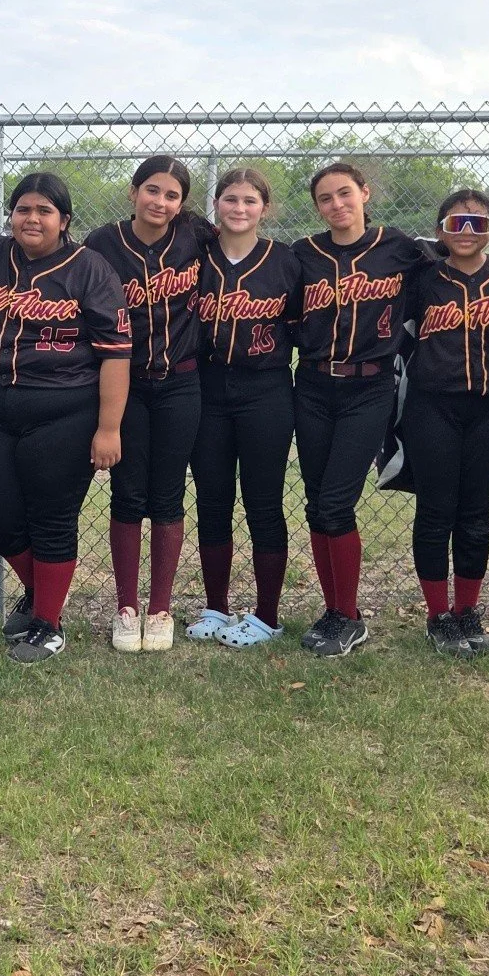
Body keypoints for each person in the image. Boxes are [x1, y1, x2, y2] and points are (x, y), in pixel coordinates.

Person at [0, 174, 131, 664]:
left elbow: (116, 354)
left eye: (44, 211)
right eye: (23, 209)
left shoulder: (89, 268)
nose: (32, 219)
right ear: (11, 215)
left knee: (52, 519)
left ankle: (48, 624)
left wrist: (108, 428)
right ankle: (42, 591)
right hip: (0, 405)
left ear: (64, 220)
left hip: (67, 408)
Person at [290, 163, 431, 657]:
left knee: (335, 503)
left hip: (368, 388)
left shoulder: (399, 247)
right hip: (310, 384)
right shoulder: (302, 254)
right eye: (325, 198)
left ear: (364, 193)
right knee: (315, 502)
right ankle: (334, 611)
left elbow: (460, 260)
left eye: (345, 193)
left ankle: (348, 616)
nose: (337, 205)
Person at [83, 157, 206, 652]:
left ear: (182, 203)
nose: (161, 202)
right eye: (152, 190)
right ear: (133, 192)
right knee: (128, 494)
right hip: (123, 384)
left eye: (172, 195)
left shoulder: (198, 236)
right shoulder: (101, 242)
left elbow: (248, 246)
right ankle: (126, 607)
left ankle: (160, 609)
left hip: (181, 382)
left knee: (169, 496)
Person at [404, 189, 489, 658]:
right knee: (436, 511)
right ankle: (437, 616)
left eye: (477, 223)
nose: (467, 232)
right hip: (432, 406)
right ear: (440, 230)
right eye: (456, 223)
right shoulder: (423, 277)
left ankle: (467, 610)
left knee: (478, 513)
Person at [186, 167, 301, 648]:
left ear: (265, 208)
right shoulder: (195, 256)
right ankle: (216, 606)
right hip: (207, 387)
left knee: (263, 503)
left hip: (266, 389)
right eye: (230, 199)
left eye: (250, 201)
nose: (239, 208)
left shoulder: (286, 260)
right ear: (216, 206)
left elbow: (297, 327)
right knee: (212, 501)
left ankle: (267, 615)